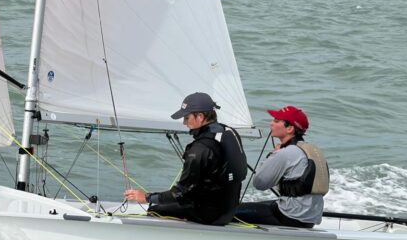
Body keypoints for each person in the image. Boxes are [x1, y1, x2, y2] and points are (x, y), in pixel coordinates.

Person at [124, 92, 247, 225]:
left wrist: (147, 197)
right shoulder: (229, 132)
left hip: (209, 217)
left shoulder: (200, 149)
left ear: (200, 117)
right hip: (228, 211)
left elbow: (180, 194)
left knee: (155, 210)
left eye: (187, 118)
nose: (184, 122)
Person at [234, 106, 327, 229]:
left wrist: (272, 155)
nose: (271, 123)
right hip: (309, 217)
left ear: (290, 128)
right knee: (252, 206)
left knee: (229, 212)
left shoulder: (286, 153)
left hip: (290, 216)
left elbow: (259, 183)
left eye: (277, 121)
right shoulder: (310, 149)